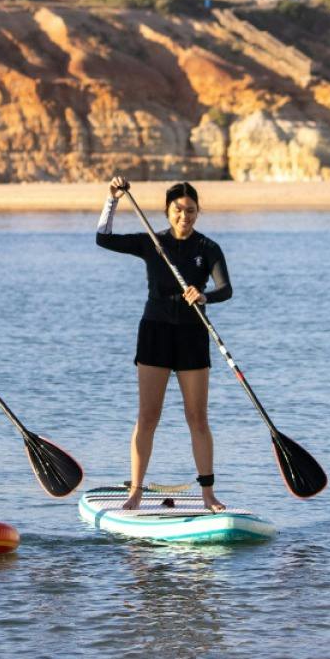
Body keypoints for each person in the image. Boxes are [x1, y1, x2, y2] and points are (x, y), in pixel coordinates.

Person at [96, 177, 232, 511]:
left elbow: (225, 289)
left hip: (192, 334)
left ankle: (208, 494)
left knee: (197, 418)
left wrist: (204, 296)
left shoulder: (208, 248)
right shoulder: (151, 242)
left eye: (190, 210)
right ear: (168, 211)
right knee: (148, 416)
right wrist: (112, 199)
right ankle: (136, 491)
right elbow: (103, 239)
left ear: (198, 212)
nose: (184, 215)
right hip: (155, 332)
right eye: (178, 210)